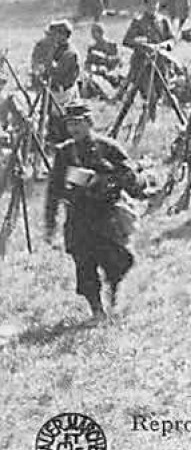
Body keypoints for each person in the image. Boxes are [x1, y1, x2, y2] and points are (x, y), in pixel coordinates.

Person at [45, 102, 142, 320]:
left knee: (120, 260)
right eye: (70, 124)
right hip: (78, 218)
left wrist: (107, 180)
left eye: (78, 123)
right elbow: (54, 190)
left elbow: (132, 179)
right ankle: (97, 310)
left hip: (107, 216)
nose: (74, 129)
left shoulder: (108, 147)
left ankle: (115, 294)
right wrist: (50, 224)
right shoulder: (64, 153)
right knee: (84, 265)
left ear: (89, 123)